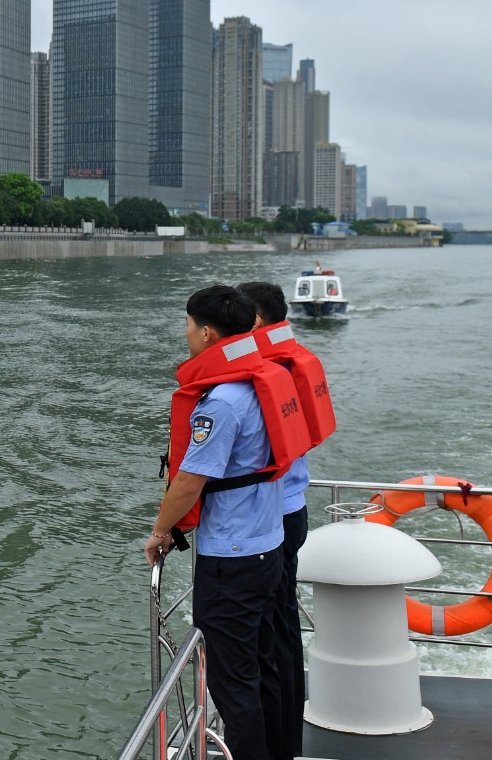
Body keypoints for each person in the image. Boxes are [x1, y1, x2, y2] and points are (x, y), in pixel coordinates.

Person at [145, 285, 292, 760]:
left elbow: (189, 481)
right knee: (263, 664)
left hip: (232, 557)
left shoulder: (222, 402)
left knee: (233, 683)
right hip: (270, 544)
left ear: (207, 333)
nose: (185, 335)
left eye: (187, 326)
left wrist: (161, 531)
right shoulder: (261, 383)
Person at [238, 280, 338, 760]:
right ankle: (286, 740)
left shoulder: (261, 374)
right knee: (282, 629)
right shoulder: (290, 362)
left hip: (269, 521)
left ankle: (275, 744)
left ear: (255, 322)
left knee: (265, 642)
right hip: (293, 508)